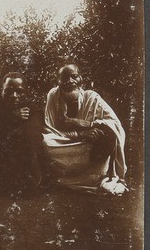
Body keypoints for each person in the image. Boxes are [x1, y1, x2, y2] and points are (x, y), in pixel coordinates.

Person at [43, 64, 128, 195]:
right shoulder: (53, 95)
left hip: (86, 146)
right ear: (58, 81)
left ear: (81, 79)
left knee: (105, 138)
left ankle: (91, 177)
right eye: (65, 78)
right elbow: (50, 128)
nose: (70, 81)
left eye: (74, 77)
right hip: (62, 143)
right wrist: (80, 134)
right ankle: (85, 178)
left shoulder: (92, 97)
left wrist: (88, 124)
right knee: (46, 142)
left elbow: (115, 124)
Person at [0, 72, 44, 196]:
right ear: (2, 91)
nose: (14, 96)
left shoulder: (32, 109)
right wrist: (12, 118)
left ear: (25, 92)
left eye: (19, 91)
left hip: (23, 170)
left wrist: (3, 128)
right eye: (8, 91)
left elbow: (32, 136)